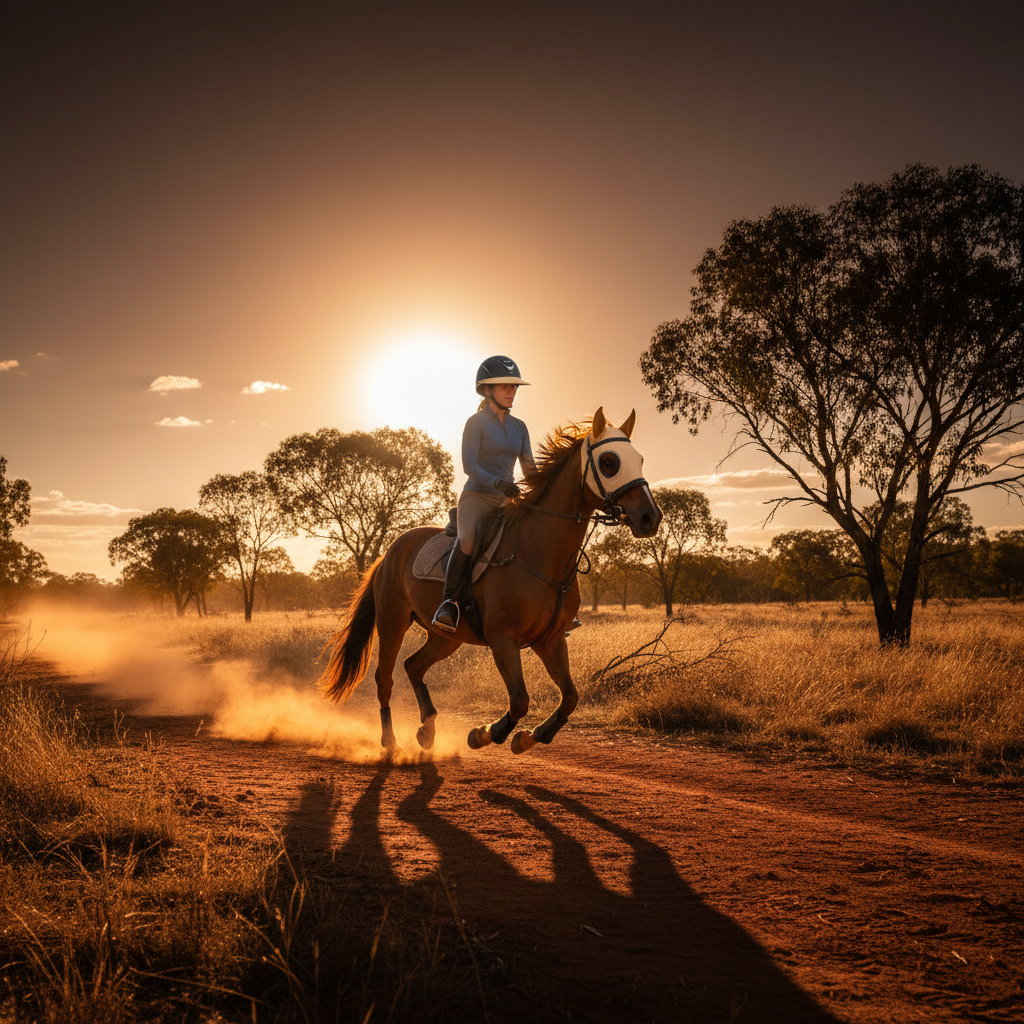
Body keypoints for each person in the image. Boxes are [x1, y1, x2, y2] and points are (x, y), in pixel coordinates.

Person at [431, 355, 537, 632]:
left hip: (508, 500)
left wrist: (541, 490)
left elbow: (530, 468)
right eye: (505, 386)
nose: (511, 391)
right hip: (477, 497)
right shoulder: (475, 423)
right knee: (467, 541)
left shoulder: (520, 427)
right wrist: (498, 483)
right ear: (488, 389)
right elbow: (470, 465)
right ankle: (448, 604)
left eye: (514, 386)